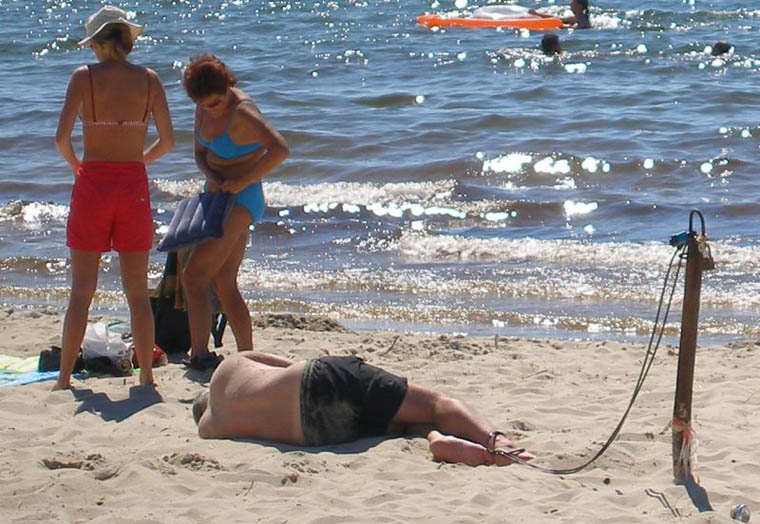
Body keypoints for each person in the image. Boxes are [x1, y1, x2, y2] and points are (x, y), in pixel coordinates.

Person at [53, 5, 174, 390]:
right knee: (137, 292)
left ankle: (64, 378)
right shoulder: (150, 80)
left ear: (99, 44)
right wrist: (138, 159)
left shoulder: (83, 78)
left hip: (93, 184)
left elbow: (61, 139)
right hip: (132, 185)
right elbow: (167, 141)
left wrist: (78, 166)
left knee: (81, 292)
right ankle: (147, 377)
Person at [192, 352, 535, 467]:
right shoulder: (226, 369)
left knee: (398, 424)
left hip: (320, 431)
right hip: (317, 379)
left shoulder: (210, 429)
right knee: (433, 403)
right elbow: (292, 364)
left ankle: (435, 438)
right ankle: (496, 442)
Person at [181, 55, 289, 370]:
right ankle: (247, 356)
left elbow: (280, 149)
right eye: (203, 104)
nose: (210, 109)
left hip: (243, 199)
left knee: (193, 277)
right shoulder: (203, 107)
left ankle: (199, 354)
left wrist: (241, 181)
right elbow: (199, 153)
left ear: (228, 86)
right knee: (223, 282)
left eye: (215, 103)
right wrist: (212, 176)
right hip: (217, 196)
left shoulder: (243, 112)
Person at [472, 1, 591, 29]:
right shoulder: (575, 18)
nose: (570, 4)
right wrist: (538, 14)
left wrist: (560, 27)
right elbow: (558, 19)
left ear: (579, 6)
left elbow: (576, 28)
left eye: (573, 3)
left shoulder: (583, 21)